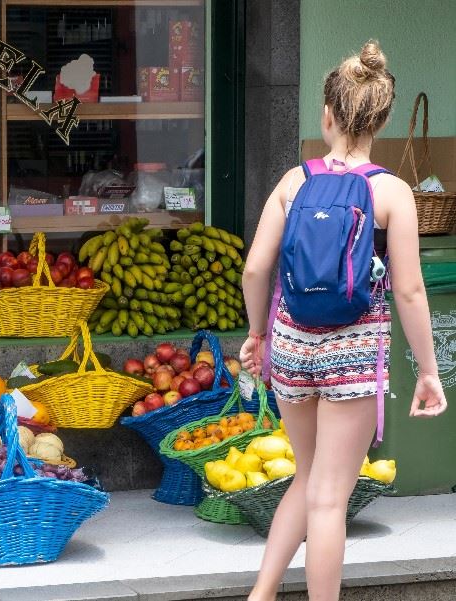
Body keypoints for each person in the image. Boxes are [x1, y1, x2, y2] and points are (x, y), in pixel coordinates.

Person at [239, 40, 447, 601]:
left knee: (307, 481)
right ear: (381, 120)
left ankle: (261, 595)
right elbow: (407, 289)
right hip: (352, 357)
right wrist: (428, 371)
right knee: (330, 496)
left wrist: (257, 334)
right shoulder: (393, 193)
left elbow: (256, 269)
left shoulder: (292, 182)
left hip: (290, 345)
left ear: (326, 115)